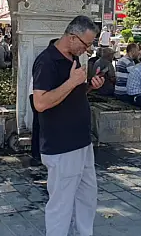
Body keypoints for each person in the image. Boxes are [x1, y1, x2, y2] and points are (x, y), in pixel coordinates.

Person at [32, 15, 104, 236]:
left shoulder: (73, 58)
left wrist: (88, 87)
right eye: (86, 44)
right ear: (72, 37)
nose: (88, 49)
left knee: (87, 196)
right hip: (61, 145)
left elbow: (70, 94)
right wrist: (72, 82)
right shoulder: (46, 61)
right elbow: (41, 102)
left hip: (82, 141)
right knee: (61, 203)